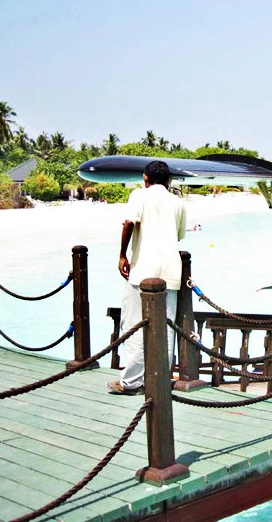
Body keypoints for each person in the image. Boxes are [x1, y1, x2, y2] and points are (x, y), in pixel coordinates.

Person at [107, 160, 187, 394]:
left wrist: (122, 255)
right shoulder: (178, 202)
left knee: (133, 325)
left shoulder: (139, 195)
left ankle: (132, 382)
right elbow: (178, 235)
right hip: (171, 272)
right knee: (166, 328)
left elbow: (129, 223)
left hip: (142, 270)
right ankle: (160, 380)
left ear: (145, 177)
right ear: (169, 180)